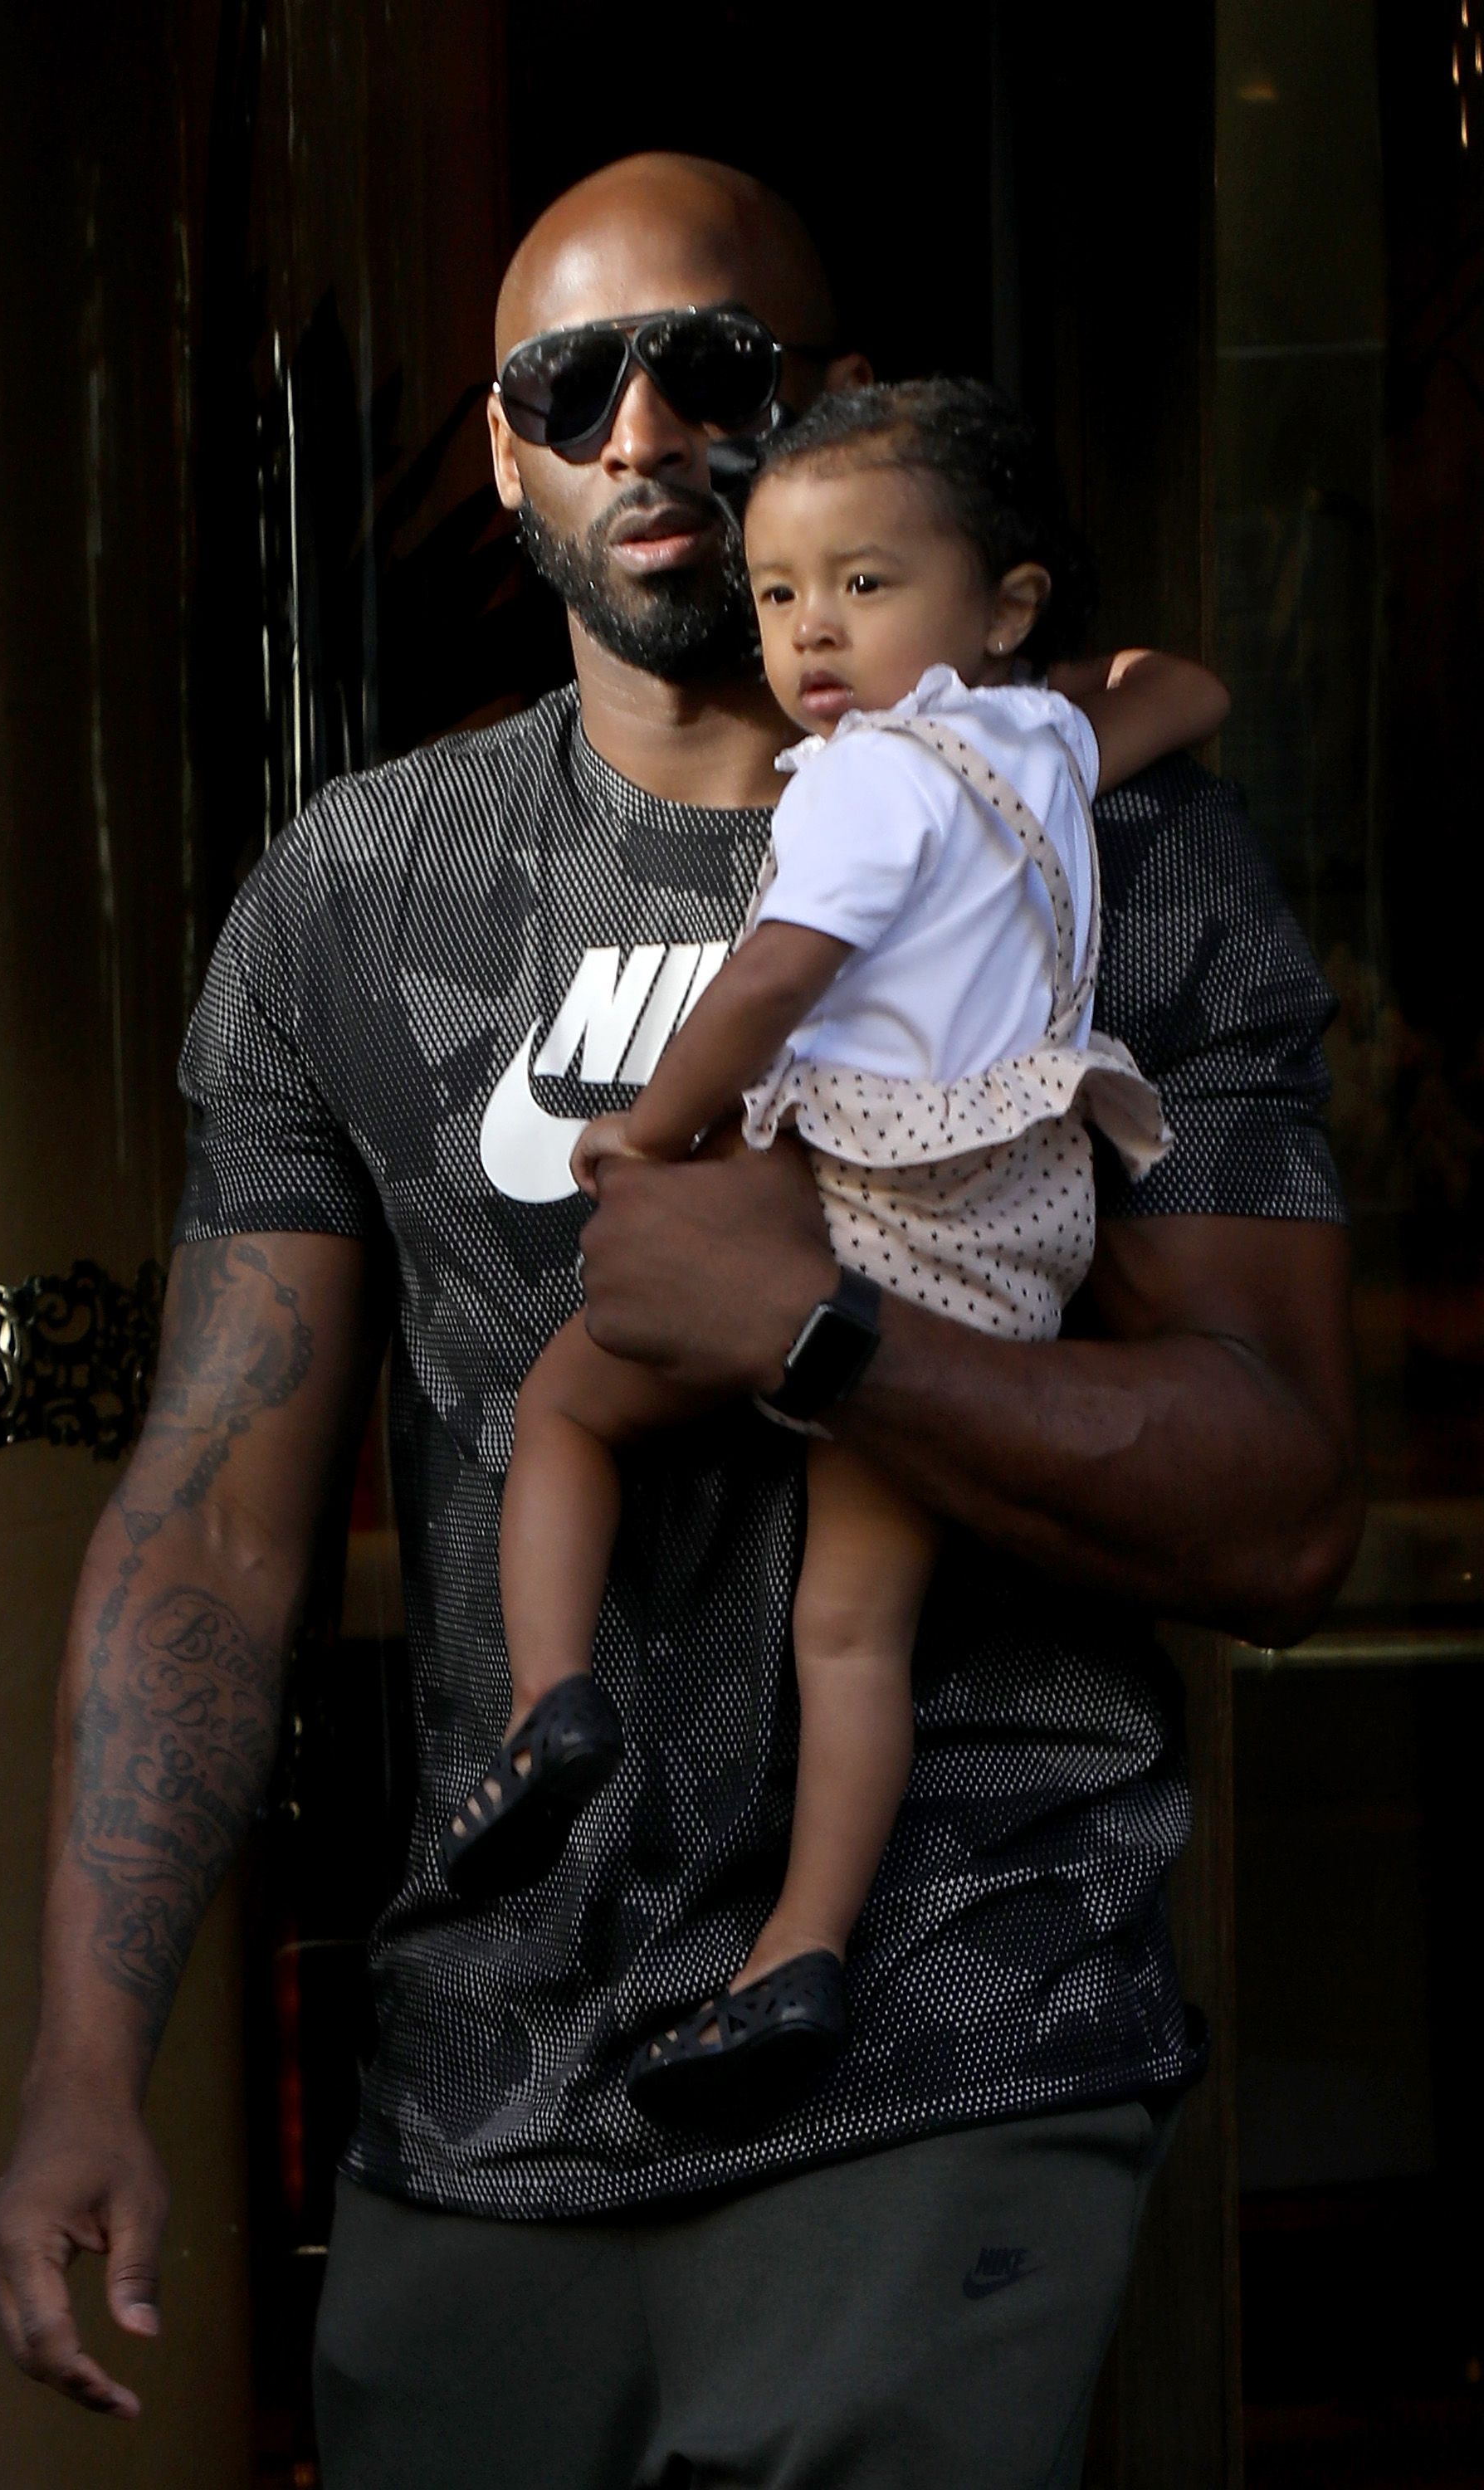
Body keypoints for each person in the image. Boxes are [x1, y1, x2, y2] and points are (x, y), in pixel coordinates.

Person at [0, 154, 1362, 2489]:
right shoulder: (349, 897)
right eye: (566, 385)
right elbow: (216, 1518)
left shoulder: (1097, 854)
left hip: (946, 2056)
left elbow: (1291, 1509)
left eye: (707, 368)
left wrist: (830, 1337)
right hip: (488, 2122)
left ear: (827, 401)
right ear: (507, 450)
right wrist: (86, 2068)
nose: (641, 430)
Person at [443, 377, 1228, 2132]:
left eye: (863, 587)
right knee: (853, 1626)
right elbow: (1186, 690)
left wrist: (647, 1135)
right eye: (783, 591)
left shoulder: (863, 784)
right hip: (1016, 1220)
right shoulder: (1032, 738)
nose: (809, 633)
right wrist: (1091, 687)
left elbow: (774, 979)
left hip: (862, 1187)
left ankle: (552, 1703)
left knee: (568, 1410)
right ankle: (799, 1951)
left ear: (1002, 599)